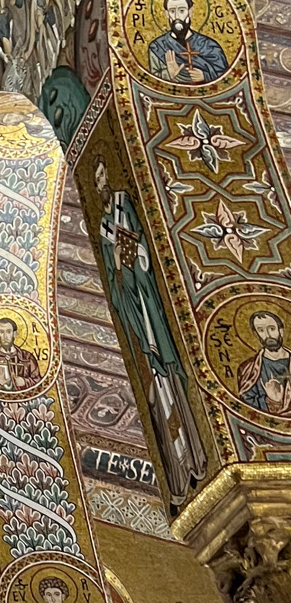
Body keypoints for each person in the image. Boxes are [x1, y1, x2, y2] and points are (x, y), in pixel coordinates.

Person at [93, 160, 207, 502]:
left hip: (147, 303)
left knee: (169, 379)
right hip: (135, 314)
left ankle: (196, 457)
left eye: (102, 175)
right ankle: (178, 471)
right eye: (97, 179)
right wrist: (117, 265)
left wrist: (132, 261)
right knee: (156, 391)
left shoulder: (123, 203)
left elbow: (141, 245)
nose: (101, 183)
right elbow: (113, 279)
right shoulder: (103, 226)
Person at [146, 0, 229, 84]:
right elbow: (154, 81)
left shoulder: (209, 46)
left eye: (182, 11)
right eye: (172, 11)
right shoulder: (157, 47)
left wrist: (205, 76)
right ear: (167, 14)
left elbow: (226, 79)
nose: (177, 16)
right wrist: (170, 74)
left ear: (190, 12)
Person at [0, 316, 41, 392]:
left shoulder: (27, 357)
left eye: (8, 332)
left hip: (24, 397)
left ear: (14, 334)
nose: (5, 336)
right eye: (2, 332)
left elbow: (38, 382)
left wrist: (24, 382)